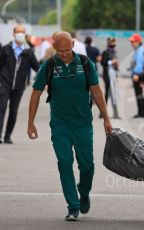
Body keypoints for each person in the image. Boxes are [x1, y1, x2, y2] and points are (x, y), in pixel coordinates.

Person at [27, 31, 112, 221]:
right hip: (60, 124)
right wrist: (30, 123)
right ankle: (73, 206)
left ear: (73, 44)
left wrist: (106, 118)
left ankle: (84, 192)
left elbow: (96, 91)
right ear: (54, 47)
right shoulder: (48, 66)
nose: (65, 53)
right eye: (60, 50)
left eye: (67, 49)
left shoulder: (85, 63)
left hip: (82, 123)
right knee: (65, 163)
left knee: (87, 166)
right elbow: (36, 93)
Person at [0, 25, 40, 144]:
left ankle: (7, 136)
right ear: (13, 34)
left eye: (22, 32)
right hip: (5, 83)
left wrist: (48, 76)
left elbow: (37, 67)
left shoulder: (28, 52)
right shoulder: (6, 49)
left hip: (19, 86)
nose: (20, 34)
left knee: (13, 111)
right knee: (1, 107)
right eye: (18, 32)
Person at [100, 37, 121, 119]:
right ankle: (108, 113)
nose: (113, 43)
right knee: (110, 93)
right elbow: (102, 62)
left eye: (114, 42)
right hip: (107, 75)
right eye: (112, 42)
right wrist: (111, 62)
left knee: (111, 94)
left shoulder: (114, 51)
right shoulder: (106, 52)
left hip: (113, 74)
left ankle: (104, 113)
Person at [129, 33, 144, 118]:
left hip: (138, 75)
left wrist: (136, 73)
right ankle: (141, 112)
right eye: (131, 42)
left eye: (133, 42)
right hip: (136, 74)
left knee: (139, 94)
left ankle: (143, 112)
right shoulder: (137, 50)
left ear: (138, 42)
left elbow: (140, 64)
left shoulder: (140, 51)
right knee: (138, 94)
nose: (132, 43)